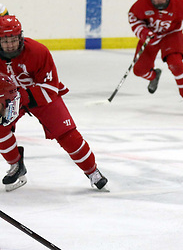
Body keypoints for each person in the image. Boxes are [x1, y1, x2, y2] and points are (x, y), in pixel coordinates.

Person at [0, 15, 108, 192]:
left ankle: (92, 171)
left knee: (68, 135)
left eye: (13, 39)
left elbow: (49, 88)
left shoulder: (38, 52)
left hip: (41, 96)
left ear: (20, 37)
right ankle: (16, 165)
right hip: (10, 98)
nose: (10, 44)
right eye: (5, 40)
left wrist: (22, 96)